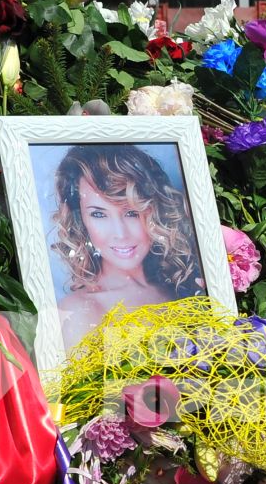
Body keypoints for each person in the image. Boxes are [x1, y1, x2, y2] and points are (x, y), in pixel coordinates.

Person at [49, 142, 203, 350]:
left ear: (154, 211)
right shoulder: (77, 312)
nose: (120, 234)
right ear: (81, 220)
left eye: (131, 212)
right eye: (99, 214)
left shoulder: (184, 287)